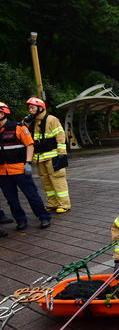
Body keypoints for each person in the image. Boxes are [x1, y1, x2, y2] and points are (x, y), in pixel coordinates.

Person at [0, 101, 51, 231]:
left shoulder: (18, 127)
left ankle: (44, 217)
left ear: (4, 113)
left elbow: (30, 144)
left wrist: (28, 163)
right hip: (3, 172)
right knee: (11, 199)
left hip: (19, 169)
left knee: (31, 195)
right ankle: (21, 220)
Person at [24, 97, 70, 213]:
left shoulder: (51, 119)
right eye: (29, 108)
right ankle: (52, 203)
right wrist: (25, 122)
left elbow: (60, 136)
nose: (30, 110)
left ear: (40, 108)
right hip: (40, 158)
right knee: (46, 182)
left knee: (57, 181)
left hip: (53, 156)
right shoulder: (32, 122)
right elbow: (23, 133)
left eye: (33, 107)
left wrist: (62, 153)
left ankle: (64, 204)